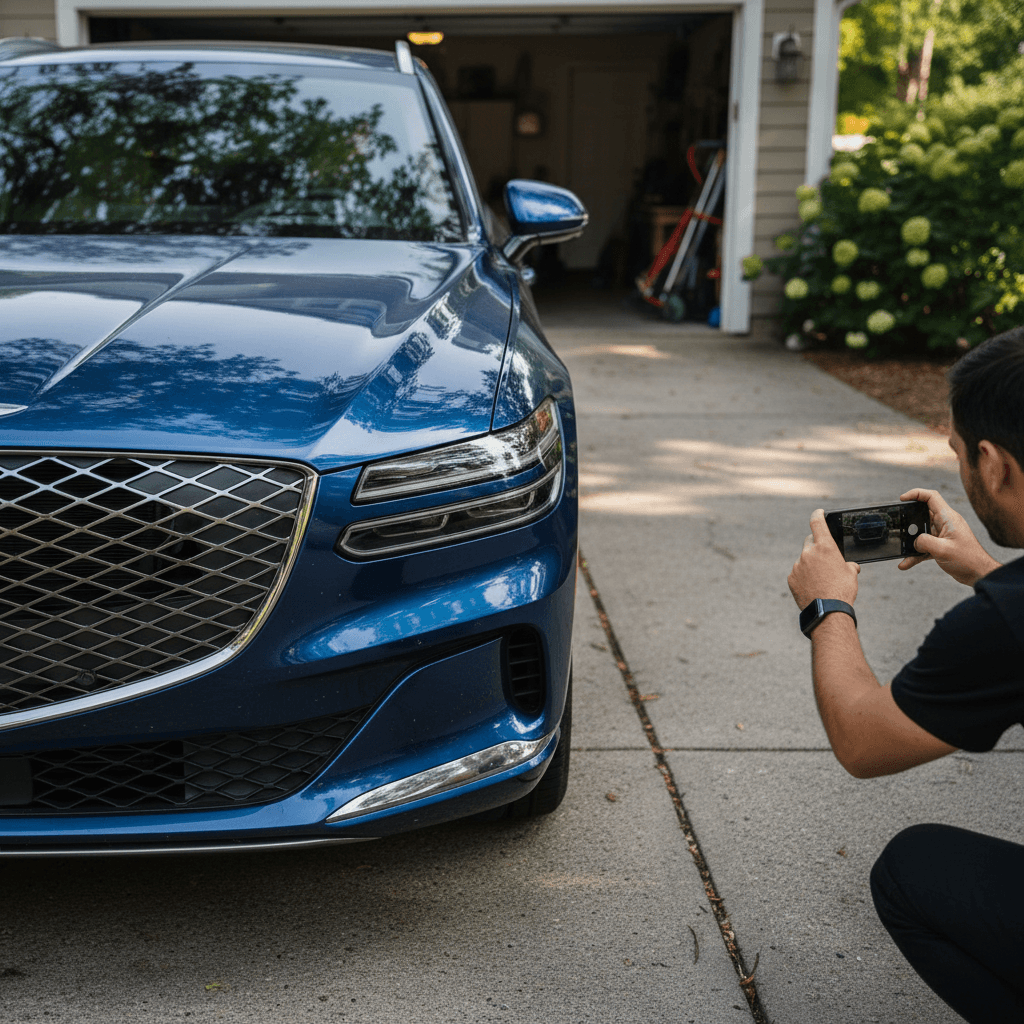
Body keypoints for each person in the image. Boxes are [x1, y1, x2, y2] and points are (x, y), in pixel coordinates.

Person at [787, 327, 1024, 1023]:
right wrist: (986, 574)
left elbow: (866, 742)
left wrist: (827, 606)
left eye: (958, 455)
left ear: (993, 462)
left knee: (911, 870)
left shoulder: (1003, 624)